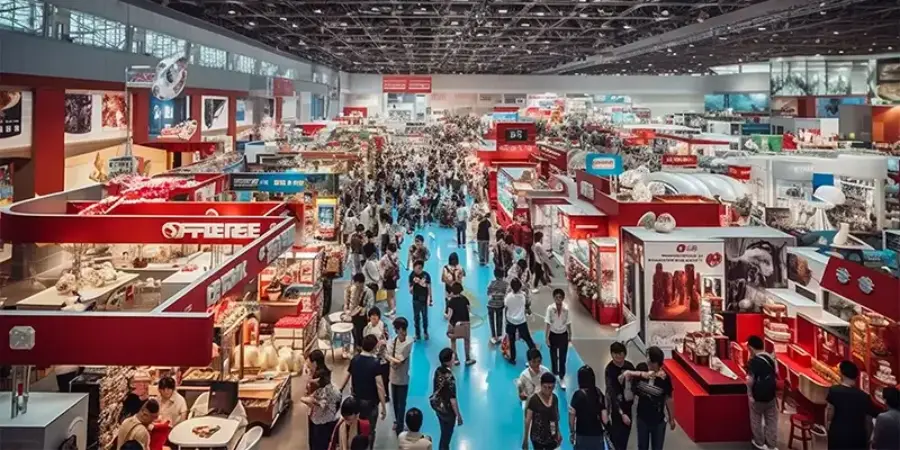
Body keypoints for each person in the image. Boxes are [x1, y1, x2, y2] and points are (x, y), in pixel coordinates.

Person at [341, 335, 387, 450]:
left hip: (356, 401)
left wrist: (340, 389)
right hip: (370, 403)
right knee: (370, 430)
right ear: (374, 347)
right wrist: (383, 405)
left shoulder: (355, 359)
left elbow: (347, 375)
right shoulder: (375, 363)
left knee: (357, 428)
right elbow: (379, 385)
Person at [826, 360, 880, 450]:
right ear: (856, 377)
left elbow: (829, 411)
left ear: (841, 374)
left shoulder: (834, 390)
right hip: (857, 437)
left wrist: (828, 424)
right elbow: (870, 419)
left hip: (838, 434)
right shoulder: (864, 396)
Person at [629, 346, 674, 450]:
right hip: (642, 418)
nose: (649, 365)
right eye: (648, 361)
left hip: (658, 420)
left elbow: (668, 398)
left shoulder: (664, 378)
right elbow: (633, 389)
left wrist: (672, 418)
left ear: (658, 363)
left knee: (657, 447)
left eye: (652, 362)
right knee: (642, 446)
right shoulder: (641, 369)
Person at [745, 335, 778, 450]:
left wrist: (750, 395)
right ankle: (772, 445)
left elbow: (750, 381)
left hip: (757, 397)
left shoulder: (754, 362)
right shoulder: (771, 359)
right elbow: (776, 374)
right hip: (771, 397)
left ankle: (759, 443)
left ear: (751, 348)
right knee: (772, 420)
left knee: (756, 419)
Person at [605, 341, 636, 450]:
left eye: (621, 353)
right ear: (612, 354)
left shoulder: (629, 367)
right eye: (615, 353)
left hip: (628, 406)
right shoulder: (609, 369)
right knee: (616, 435)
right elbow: (611, 392)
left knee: (625, 434)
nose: (618, 356)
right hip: (616, 408)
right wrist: (620, 413)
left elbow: (636, 385)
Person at [569, 365, 608, 449]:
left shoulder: (577, 395)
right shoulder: (598, 392)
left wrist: (572, 432)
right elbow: (604, 417)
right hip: (597, 434)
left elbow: (572, 415)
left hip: (582, 434)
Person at [386, 317, 413, 436]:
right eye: (401, 329)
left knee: (402, 403)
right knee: (395, 402)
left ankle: (400, 427)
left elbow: (399, 361)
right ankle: (397, 421)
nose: (403, 331)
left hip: (403, 379)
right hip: (393, 377)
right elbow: (393, 359)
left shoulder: (409, 342)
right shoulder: (392, 341)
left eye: (404, 329)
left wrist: (386, 356)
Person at [432, 348, 463, 450]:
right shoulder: (450, 378)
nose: (454, 359)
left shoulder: (438, 371)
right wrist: (458, 415)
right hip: (448, 411)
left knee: (443, 432)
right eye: (453, 357)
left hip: (438, 407)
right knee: (446, 438)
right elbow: (452, 400)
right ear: (448, 361)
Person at [302, 372, 342, 450]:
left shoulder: (324, 392)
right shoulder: (335, 388)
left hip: (321, 424)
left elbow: (318, 403)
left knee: (319, 445)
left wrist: (313, 401)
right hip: (330, 422)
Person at [523, 373, 562, 450]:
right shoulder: (534, 400)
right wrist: (525, 440)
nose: (548, 390)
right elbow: (528, 421)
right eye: (545, 387)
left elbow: (555, 417)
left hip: (551, 436)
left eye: (550, 387)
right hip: (537, 437)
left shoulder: (554, 398)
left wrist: (558, 432)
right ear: (541, 385)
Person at [543, 288, 572, 390]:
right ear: (554, 298)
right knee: (554, 356)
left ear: (563, 298)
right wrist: (546, 337)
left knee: (563, 357)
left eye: (560, 297)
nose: (558, 299)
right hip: (553, 335)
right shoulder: (550, 309)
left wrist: (570, 335)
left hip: (563, 335)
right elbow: (547, 323)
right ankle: (554, 373)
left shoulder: (566, 309)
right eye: (556, 297)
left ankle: (562, 376)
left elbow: (568, 323)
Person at [504, 278, 536, 364]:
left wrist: (506, 320)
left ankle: (512, 358)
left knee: (511, 340)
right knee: (528, 339)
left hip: (510, 321)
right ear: (520, 286)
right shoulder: (523, 296)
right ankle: (534, 356)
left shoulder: (508, 297)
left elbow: (506, 308)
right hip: (521, 321)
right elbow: (527, 304)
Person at [363, 306, 391, 402]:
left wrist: (381, 343)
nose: (374, 319)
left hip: (382, 358)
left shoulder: (383, 326)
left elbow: (386, 338)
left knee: (385, 379)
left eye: (376, 317)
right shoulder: (367, 328)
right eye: (372, 317)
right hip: (371, 358)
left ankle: (386, 394)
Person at [445, 282, 475, 366]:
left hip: (455, 325)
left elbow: (449, 316)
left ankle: (456, 359)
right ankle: (467, 358)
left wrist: (446, 316)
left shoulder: (451, 302)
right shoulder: (465, 299)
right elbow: (469, 310)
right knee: (467, 341)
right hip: (465, 323)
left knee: (453, 341)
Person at [345, 273, 374, 351]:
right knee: (355, 333)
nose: (356, 287)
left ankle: (362, 348)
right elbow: (350, 302)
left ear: (362, 283)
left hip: (363, 318)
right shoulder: (354, 289)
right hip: (354, 316)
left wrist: (362, 310)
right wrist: (348, 310)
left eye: (358, 285)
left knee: (362, 333)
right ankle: (357, 346)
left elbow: (371, 306)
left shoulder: (368, 292)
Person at [408, 260, 432, 340]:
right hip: (415, 300)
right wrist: (414, 284)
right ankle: (417, 334)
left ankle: (425, 332)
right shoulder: (411, 275)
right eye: (416, 268)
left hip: (424, 300)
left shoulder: (426, 275)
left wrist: (430, 299)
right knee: (416, 317)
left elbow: (429, 288)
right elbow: (410, 290)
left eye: (419, 268)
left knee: (425, 316)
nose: (417, 270)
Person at [486, 267, 509, 345]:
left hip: (490, 305)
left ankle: (493, 336)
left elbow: (488, 293)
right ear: (503, 275)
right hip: (500, 305)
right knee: (499, 319)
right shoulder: (505, 284)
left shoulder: (491, 283)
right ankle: (499, 335)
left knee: (491, 321)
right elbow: (506, 294)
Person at [379, 242, 400, 317]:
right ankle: (394, 307)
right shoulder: (397, 256)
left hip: (388, 278)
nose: (386, 250)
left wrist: (382, 277)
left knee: (389, 295)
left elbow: (380, 266)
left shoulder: (385, 258)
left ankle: (391, 310)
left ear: (389, 250)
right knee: (393, 294)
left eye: (387, 249)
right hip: (394, 278)